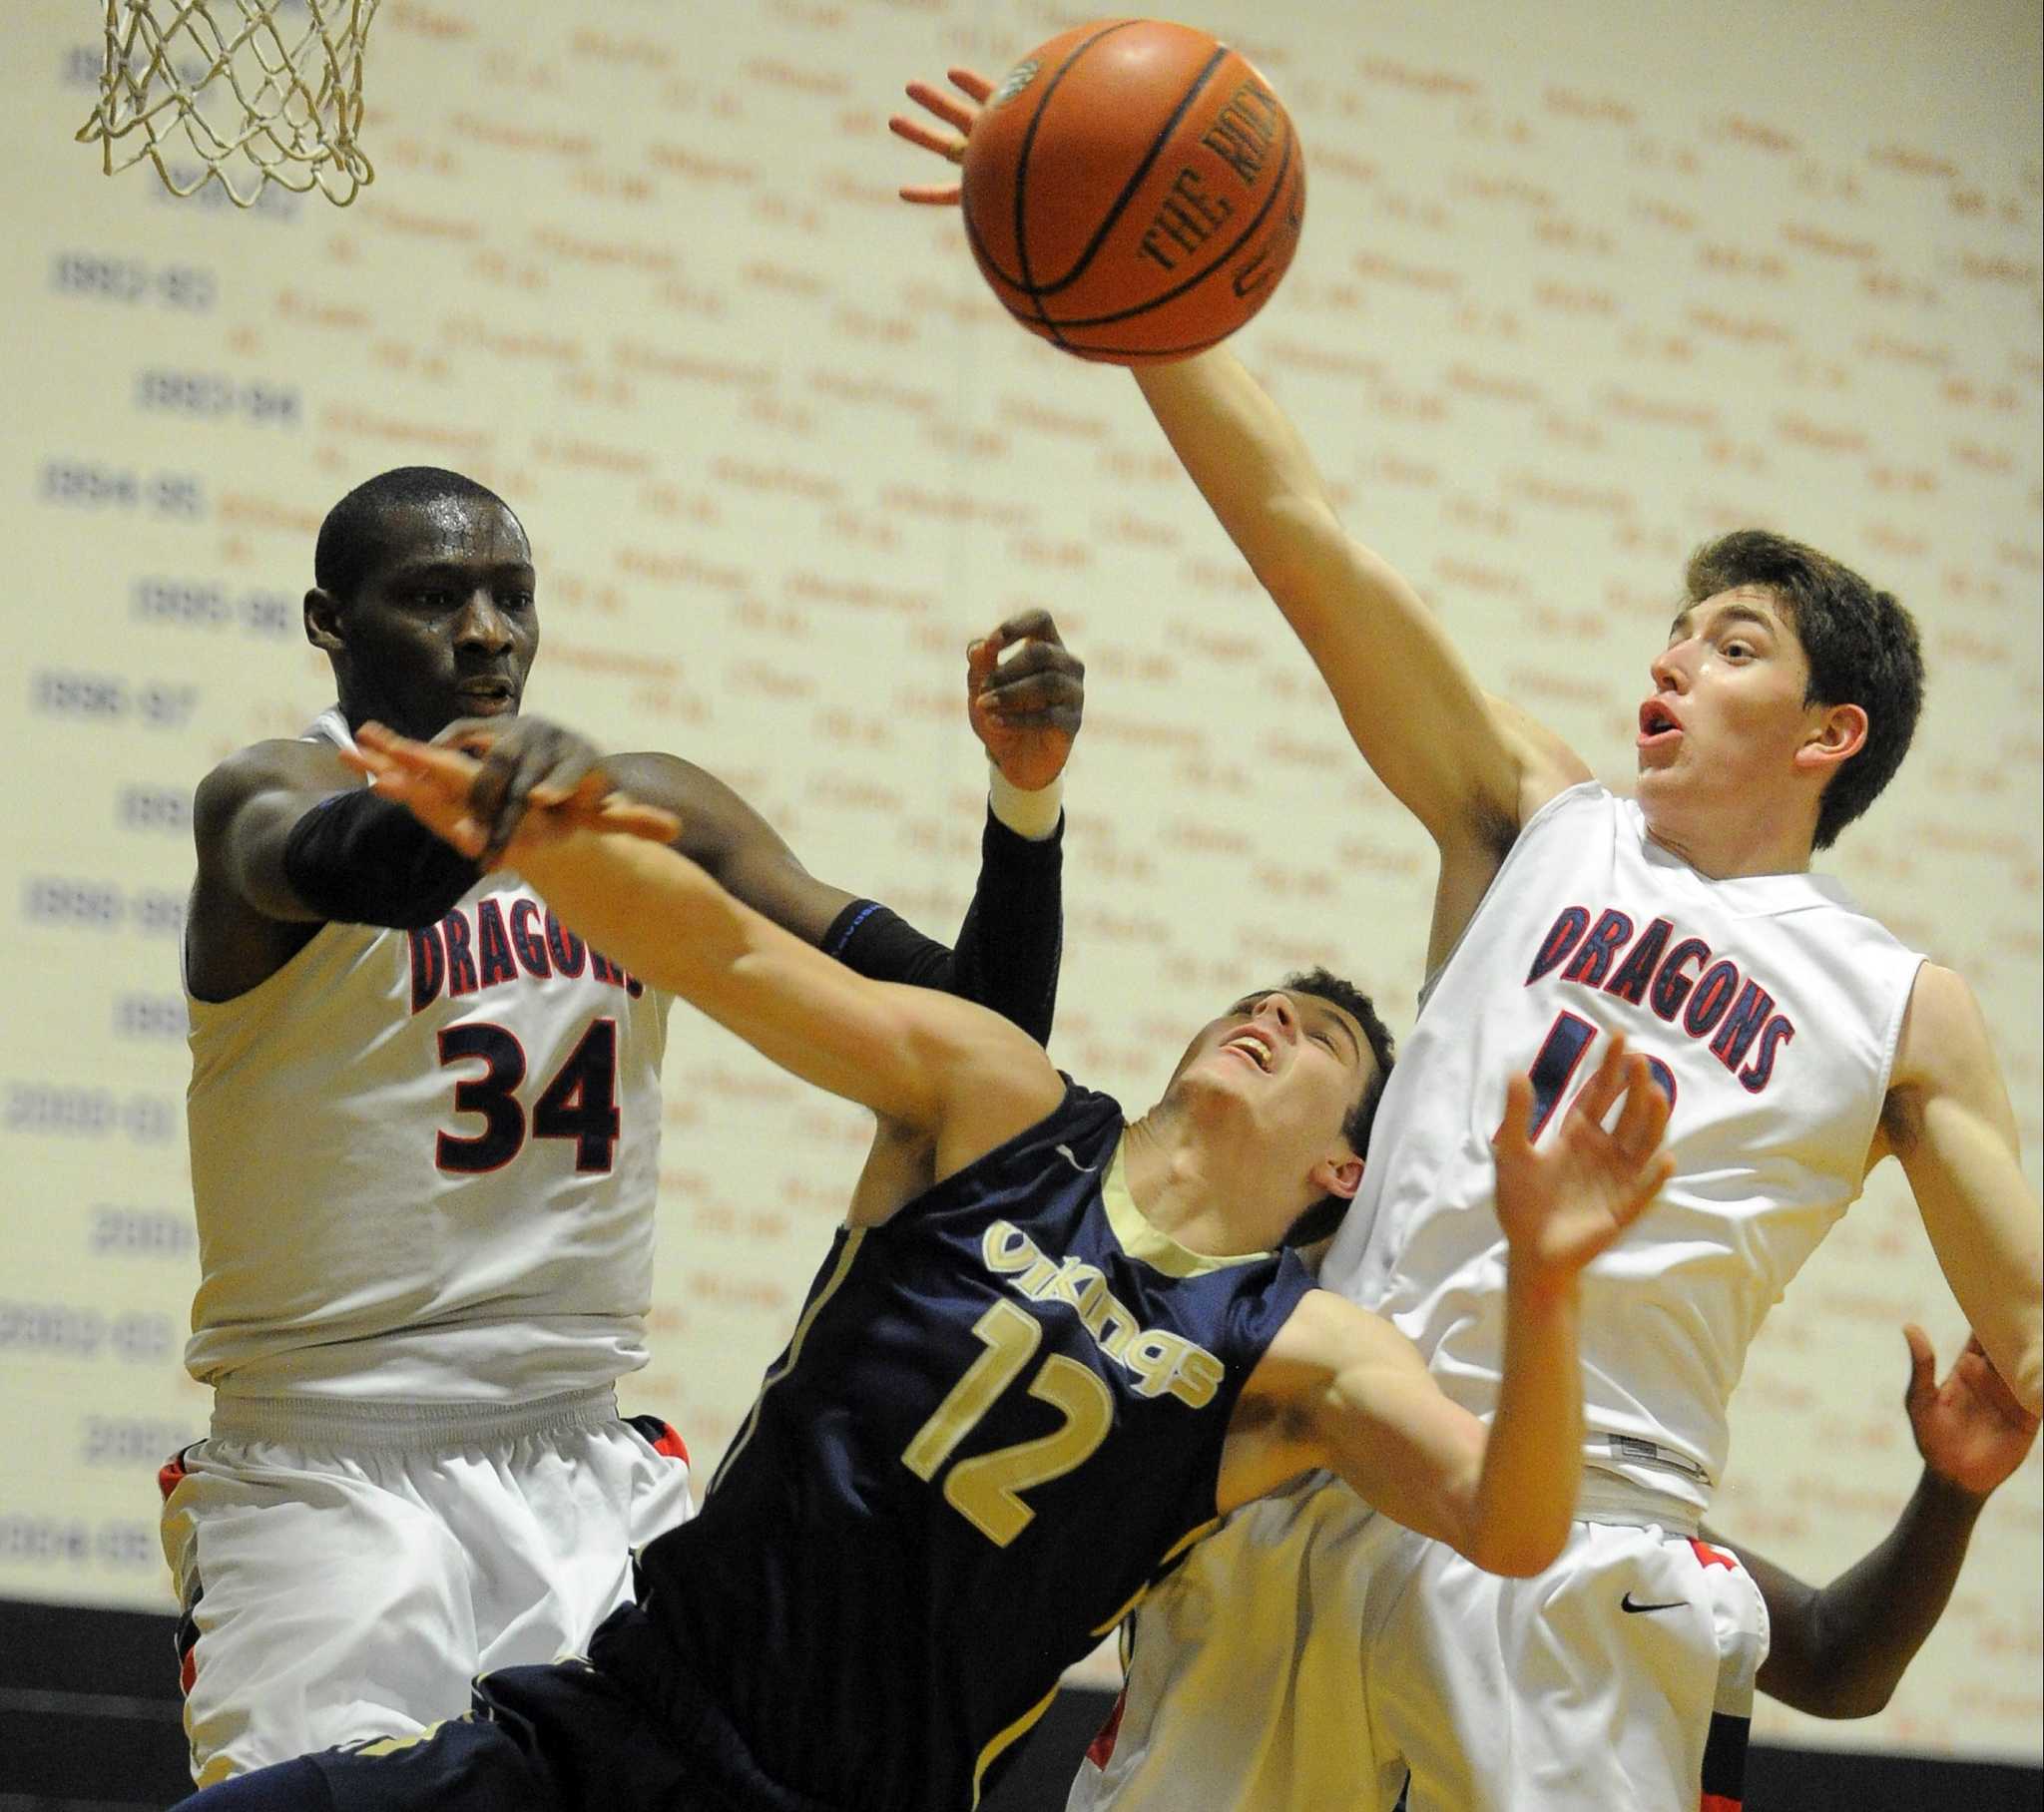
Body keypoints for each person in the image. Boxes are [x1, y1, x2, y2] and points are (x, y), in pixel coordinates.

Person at [888, 70, 2044, 1811]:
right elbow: (1305, 540)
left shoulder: (1900, 1005)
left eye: (1730, 647)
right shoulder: (1533, 814)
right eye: (1673, 632)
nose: (1669, 662)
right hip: (1307, 1461)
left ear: (1832, 737)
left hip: (1585, 1541)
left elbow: (2029, 1327)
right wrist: (1134, 301)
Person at [172, 715, 1673, 1811]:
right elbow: (738, 959)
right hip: (619, 1719)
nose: (1273, 1017)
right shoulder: (1002, 1106)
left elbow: (1513, 1520)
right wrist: (536, 837)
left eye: (1323, 1038)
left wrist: (1547, 1284)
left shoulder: (1302, 1348)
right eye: (1261, 999)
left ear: (1341, 1168)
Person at [163, 465, 1086, 1785]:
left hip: (581, 1455)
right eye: (434, 598)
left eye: (511, 598)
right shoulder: (260, 797)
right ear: (331, 621)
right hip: (329, 1468)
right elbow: (368, 868)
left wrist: (1027, 811)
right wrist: (504, 807)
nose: (486, 631)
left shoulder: (650, 810)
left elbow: (984, 1048)